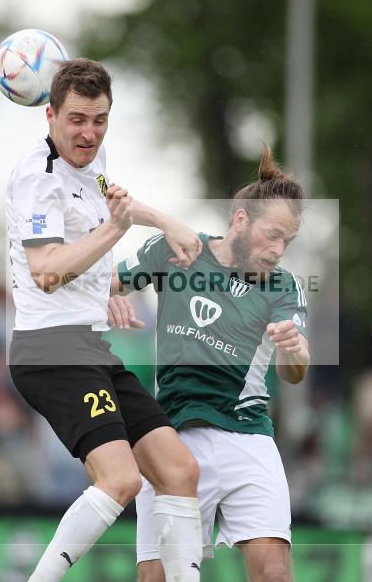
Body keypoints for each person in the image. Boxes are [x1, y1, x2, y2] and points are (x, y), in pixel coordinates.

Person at [6, 58, 204, 582]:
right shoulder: (37, 180)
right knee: (120, 480)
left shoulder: (90, 158)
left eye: (99, 119)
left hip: (90, 347)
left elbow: (110, 203)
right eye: (76, 120)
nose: (88, 132)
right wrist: (112, 238)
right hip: (51, 352)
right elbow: (47, 271)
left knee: (179, 471)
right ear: (48, 114)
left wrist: (162, 223)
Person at [108, 147, 310, 582]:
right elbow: (102, 281)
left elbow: (296, 370)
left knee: (275, 575)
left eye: (287, 242)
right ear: (241, 219)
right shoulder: (178, 250)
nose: (278, 250)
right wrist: (108, 295)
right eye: (272, 234)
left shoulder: (282, 285)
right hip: (171, 438)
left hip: (248, 437)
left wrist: (294, 349)